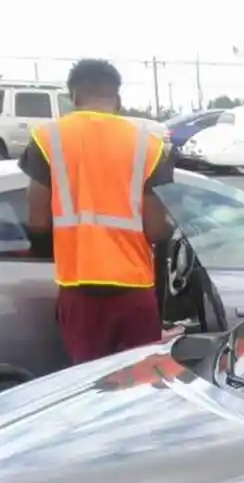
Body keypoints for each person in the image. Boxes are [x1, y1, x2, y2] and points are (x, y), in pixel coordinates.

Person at [21, 59, 174, 364]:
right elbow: (156, 228)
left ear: (73, 97)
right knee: (141, 383)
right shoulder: (150, 145)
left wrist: (45, 246)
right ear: (117, 99)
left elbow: (37, 219)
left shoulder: (47, 138)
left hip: (79, 286)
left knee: (89, 385)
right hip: (135, 288)